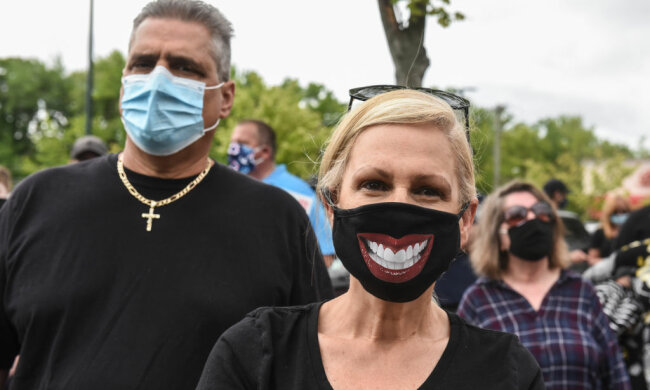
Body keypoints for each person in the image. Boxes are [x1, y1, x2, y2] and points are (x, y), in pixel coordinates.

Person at [0, 1, 332, 389]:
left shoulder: (277, 221)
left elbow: (308, 367)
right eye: (142, 63)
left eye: (184, 66)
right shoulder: (35, 202)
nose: (158, 78)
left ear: (225, 97)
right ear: (124, 83)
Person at [196, 88, 544, 389]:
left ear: (466, 220)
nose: (399, 206)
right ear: (331, 206)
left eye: (427, 190)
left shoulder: (508, 372)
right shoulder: (255, 353)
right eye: (374, 185)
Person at [457, 180, 631, 389]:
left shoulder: (581, 292)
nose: (533, 219)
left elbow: (615, 375)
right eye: (517, 215)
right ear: (497, 236)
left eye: (542, 211)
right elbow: (462, 378)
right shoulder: (478, 300)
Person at [227, 119, 336, 267]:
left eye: (242, 143)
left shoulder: (298, 193)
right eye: (233, 143)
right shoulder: (231, 188)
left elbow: (325, 255)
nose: (234, 149)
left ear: (265, 152)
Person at [588, 191, 632, 264]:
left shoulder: (632, 232)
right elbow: (591, 259)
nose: (619, 215)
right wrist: (610, 263)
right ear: (609, 213)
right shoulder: (600, 233)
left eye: (623, 212)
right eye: (615, 212)